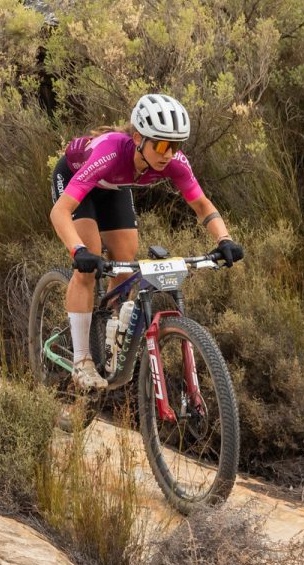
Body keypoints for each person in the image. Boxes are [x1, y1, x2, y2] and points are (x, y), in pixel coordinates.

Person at [49, 93, 244, 390]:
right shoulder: (111, 152)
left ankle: (112, 337)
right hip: (79, 178)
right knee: (87, 268)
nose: (169, 153)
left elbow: (202, 205)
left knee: (125, 266)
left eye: (175, 145)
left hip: (115, 185)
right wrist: (78, 251)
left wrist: (225, 239)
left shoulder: (173, 161)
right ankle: (82, 361)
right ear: (139, 137)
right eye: (162, 144)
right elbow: (60, 212)